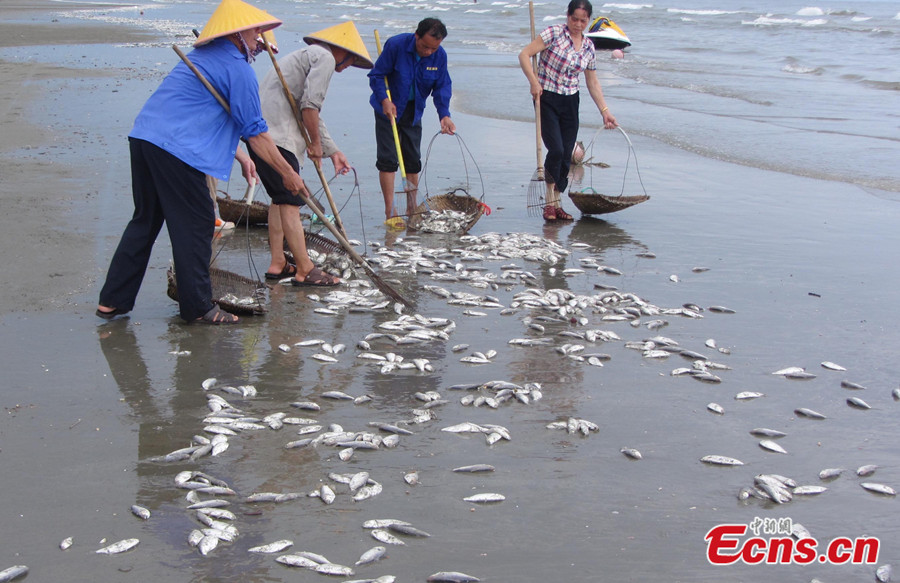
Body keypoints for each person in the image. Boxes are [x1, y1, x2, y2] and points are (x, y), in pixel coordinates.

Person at [96, 0, 310, 324]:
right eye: (255, 33)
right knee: (197, 223)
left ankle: (112, 300)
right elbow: (256, 134)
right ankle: (198, 307)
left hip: (145, 138)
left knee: (145, 221)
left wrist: (240, 156)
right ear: (236, 34)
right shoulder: (237, 68)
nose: (258, 40)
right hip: (175, 150)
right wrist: (288, 173)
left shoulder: (203, 57)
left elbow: (201, 113)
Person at [248, 21, 373, 286]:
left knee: (280, 199)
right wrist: (315, 145)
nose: (349, 66)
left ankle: (278, 263)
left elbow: (310, 111)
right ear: (343, 51)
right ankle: (305, 269)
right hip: (278, 137)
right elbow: (310, 107)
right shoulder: (325, 57)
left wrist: (331, 150)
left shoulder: (307, 56)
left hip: (262, 133)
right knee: (291, 200)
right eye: (351, 60)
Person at [518, 0, 618, 222]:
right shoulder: (554, 33)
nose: (578, 24)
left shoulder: (589, 47)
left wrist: (605, 111)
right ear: (568, 16)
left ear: (588, 20)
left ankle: (557, 203)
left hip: (571, 101)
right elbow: (524, 55)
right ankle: (548, 203)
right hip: (546, 97)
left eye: (583, 20)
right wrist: (534, 82)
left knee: (566, 155)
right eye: (575, 19)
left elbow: (592, 82)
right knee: (555, 149)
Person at [368, 17, 455, 229]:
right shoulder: (396, 45)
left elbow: (442, 86)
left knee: (413, 160)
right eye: (425, 46)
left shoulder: (439, 56)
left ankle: (412, 207)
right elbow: (376, 75)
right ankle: (390, 211)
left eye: (433, 48)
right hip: (388, 109)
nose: (428, 52)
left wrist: (444, 114)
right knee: (388, 160)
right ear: (416, 36)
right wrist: (384, 100)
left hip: (414, 111)